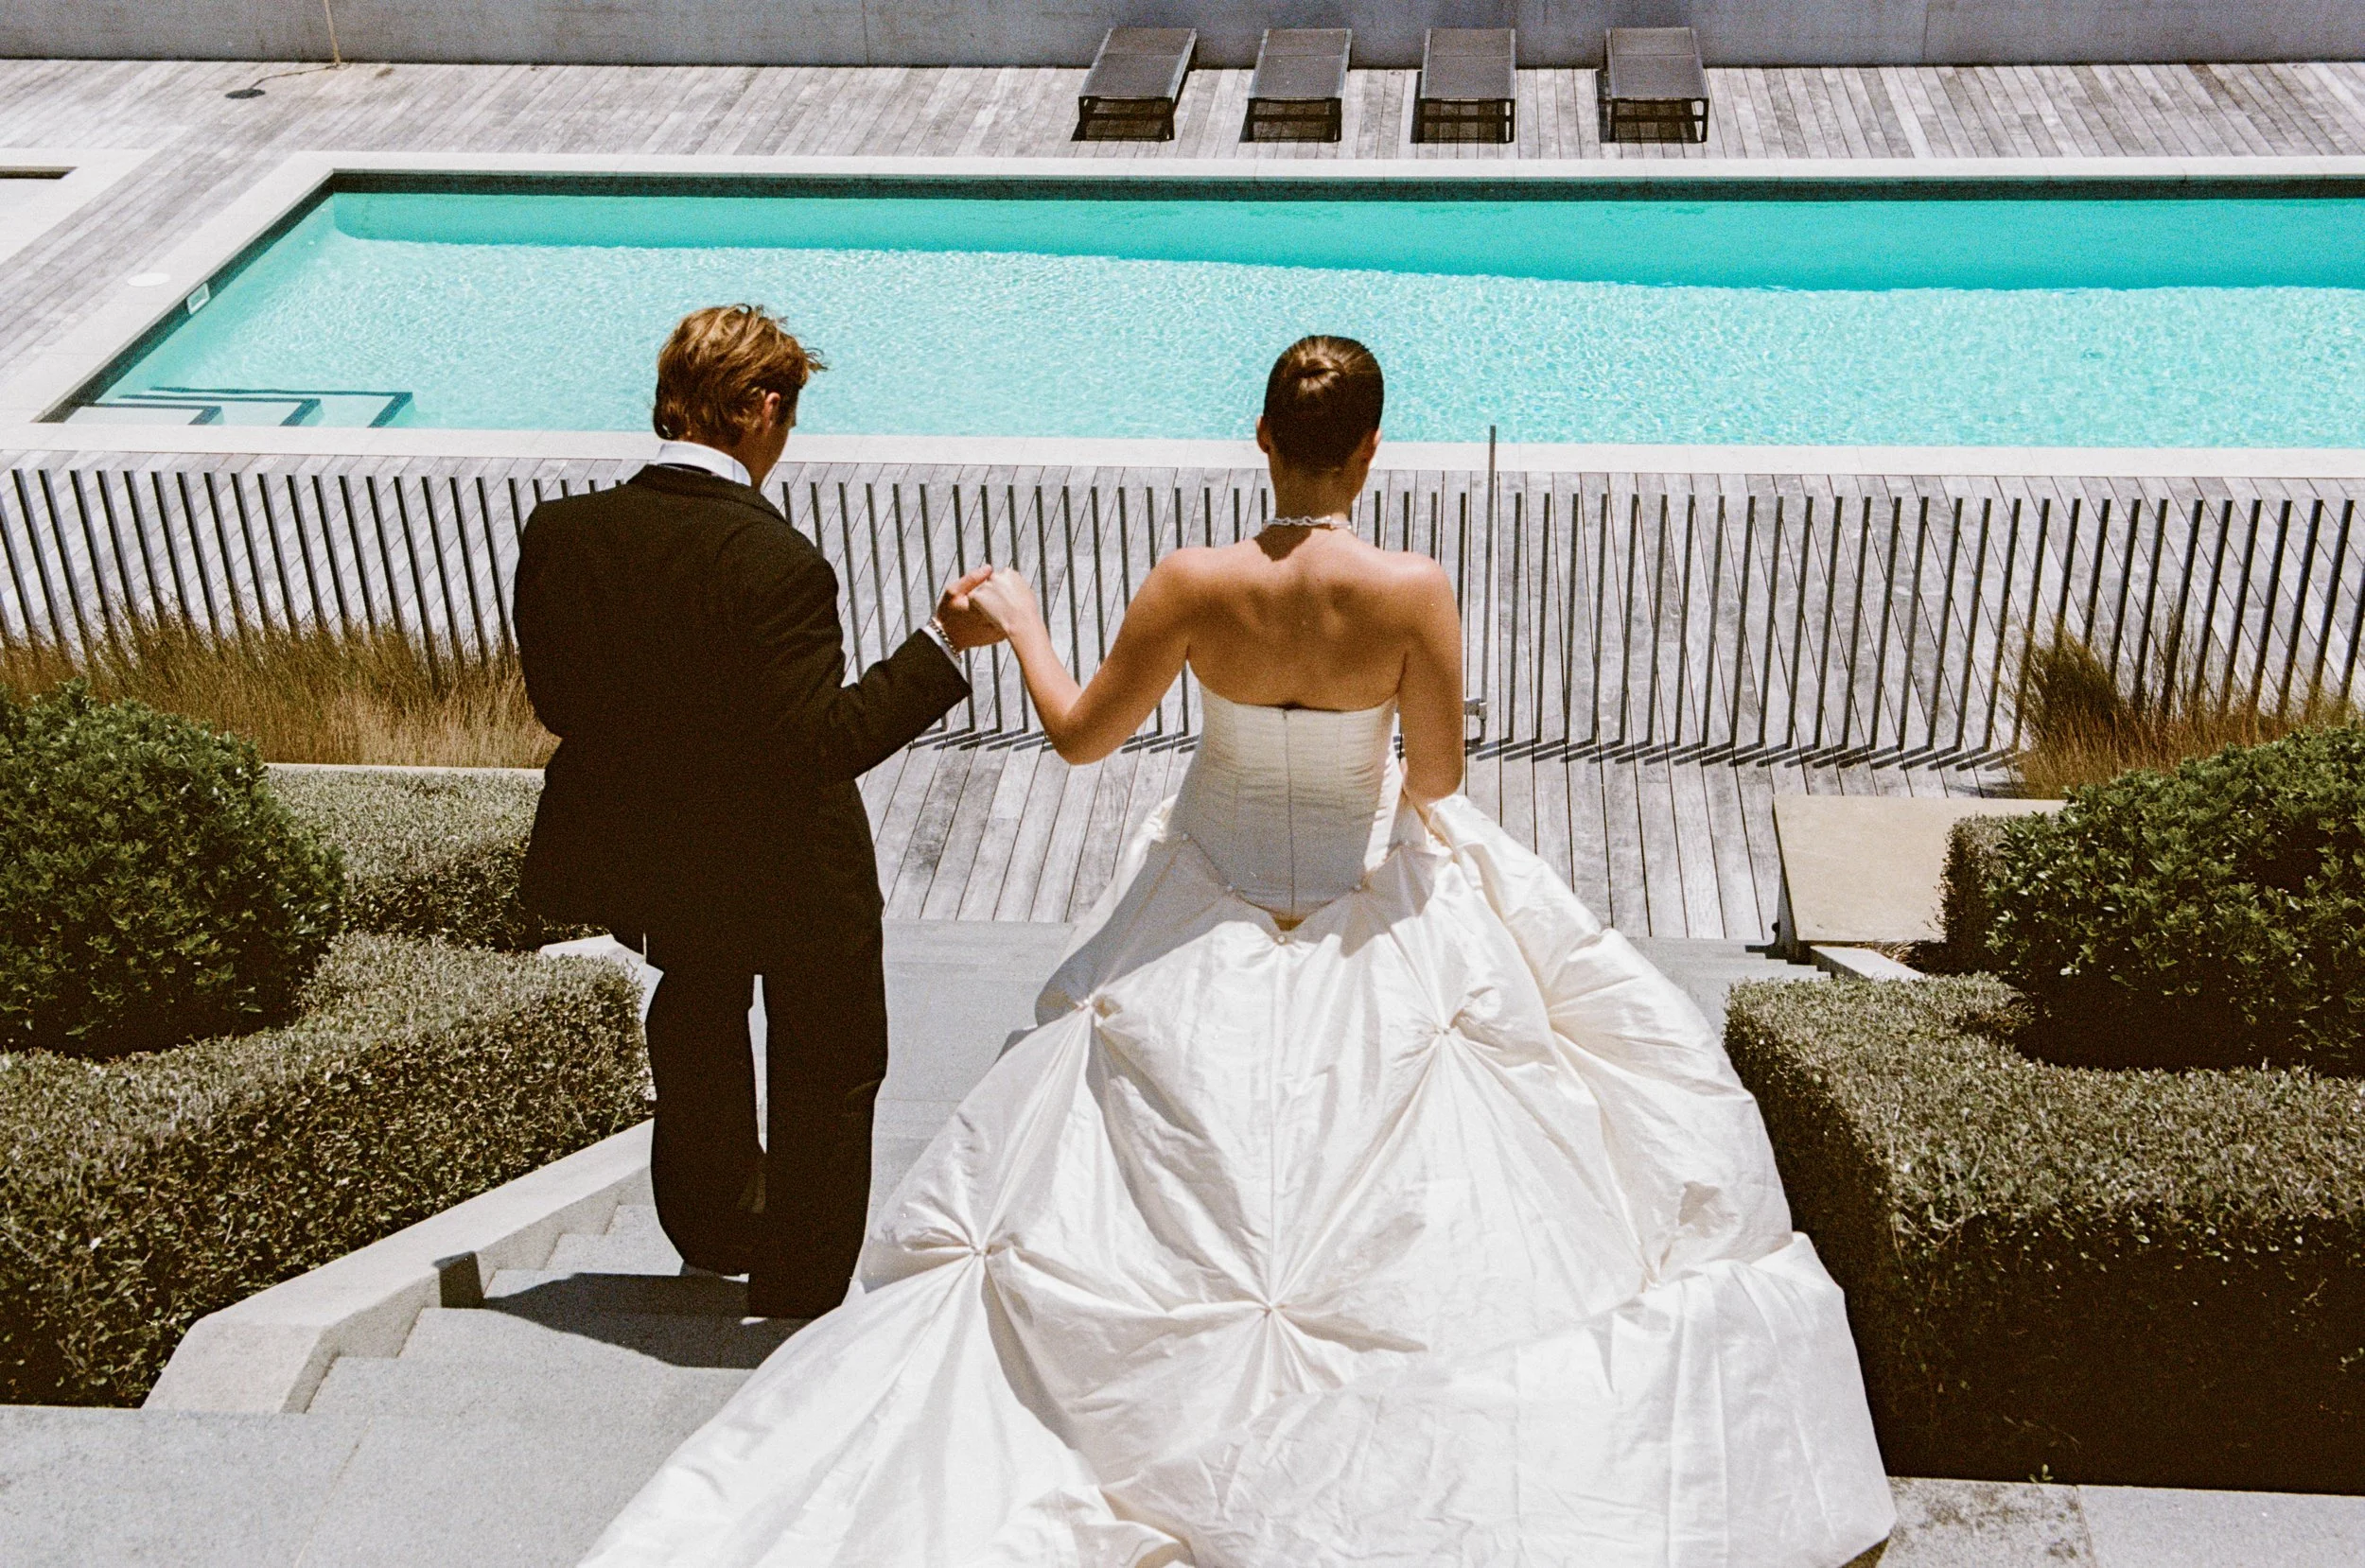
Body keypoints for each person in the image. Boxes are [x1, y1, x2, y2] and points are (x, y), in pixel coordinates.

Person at [579, 337, 1896, 1567]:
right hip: (1359, 880)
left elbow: (1085, 736)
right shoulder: (1409, 590)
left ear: (1262, 436)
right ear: (1370, 451)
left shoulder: (1193, 582)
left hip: (1203, 891)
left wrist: (1025, 622)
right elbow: (1433, 772)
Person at [513, 305, 1002, 1320]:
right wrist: (940, 645)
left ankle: (715, 1222)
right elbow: (818, 742)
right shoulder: (775, 561)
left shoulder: (563, 533)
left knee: (697, 1011)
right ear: (762, 407)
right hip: (788, 862)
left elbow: (563, 702)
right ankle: (798, 1283)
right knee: (827, 1059)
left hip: (661, 847)